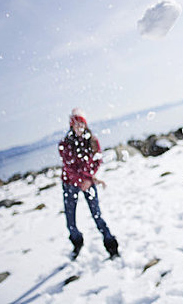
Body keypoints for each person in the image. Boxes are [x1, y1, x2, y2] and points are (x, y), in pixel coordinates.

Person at [58, 108, 119, 260]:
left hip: (88, 183)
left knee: (97, 215)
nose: (79, 127)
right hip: (70, 184)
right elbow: (69, 167)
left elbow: (97, 160)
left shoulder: (92, 141)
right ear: (71, 126)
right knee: (70, 221)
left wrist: (88, 179)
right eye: (76, 124)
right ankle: (77, 243)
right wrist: (83, 180)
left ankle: (111, 245)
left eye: (82, 124)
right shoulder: (65, 144)